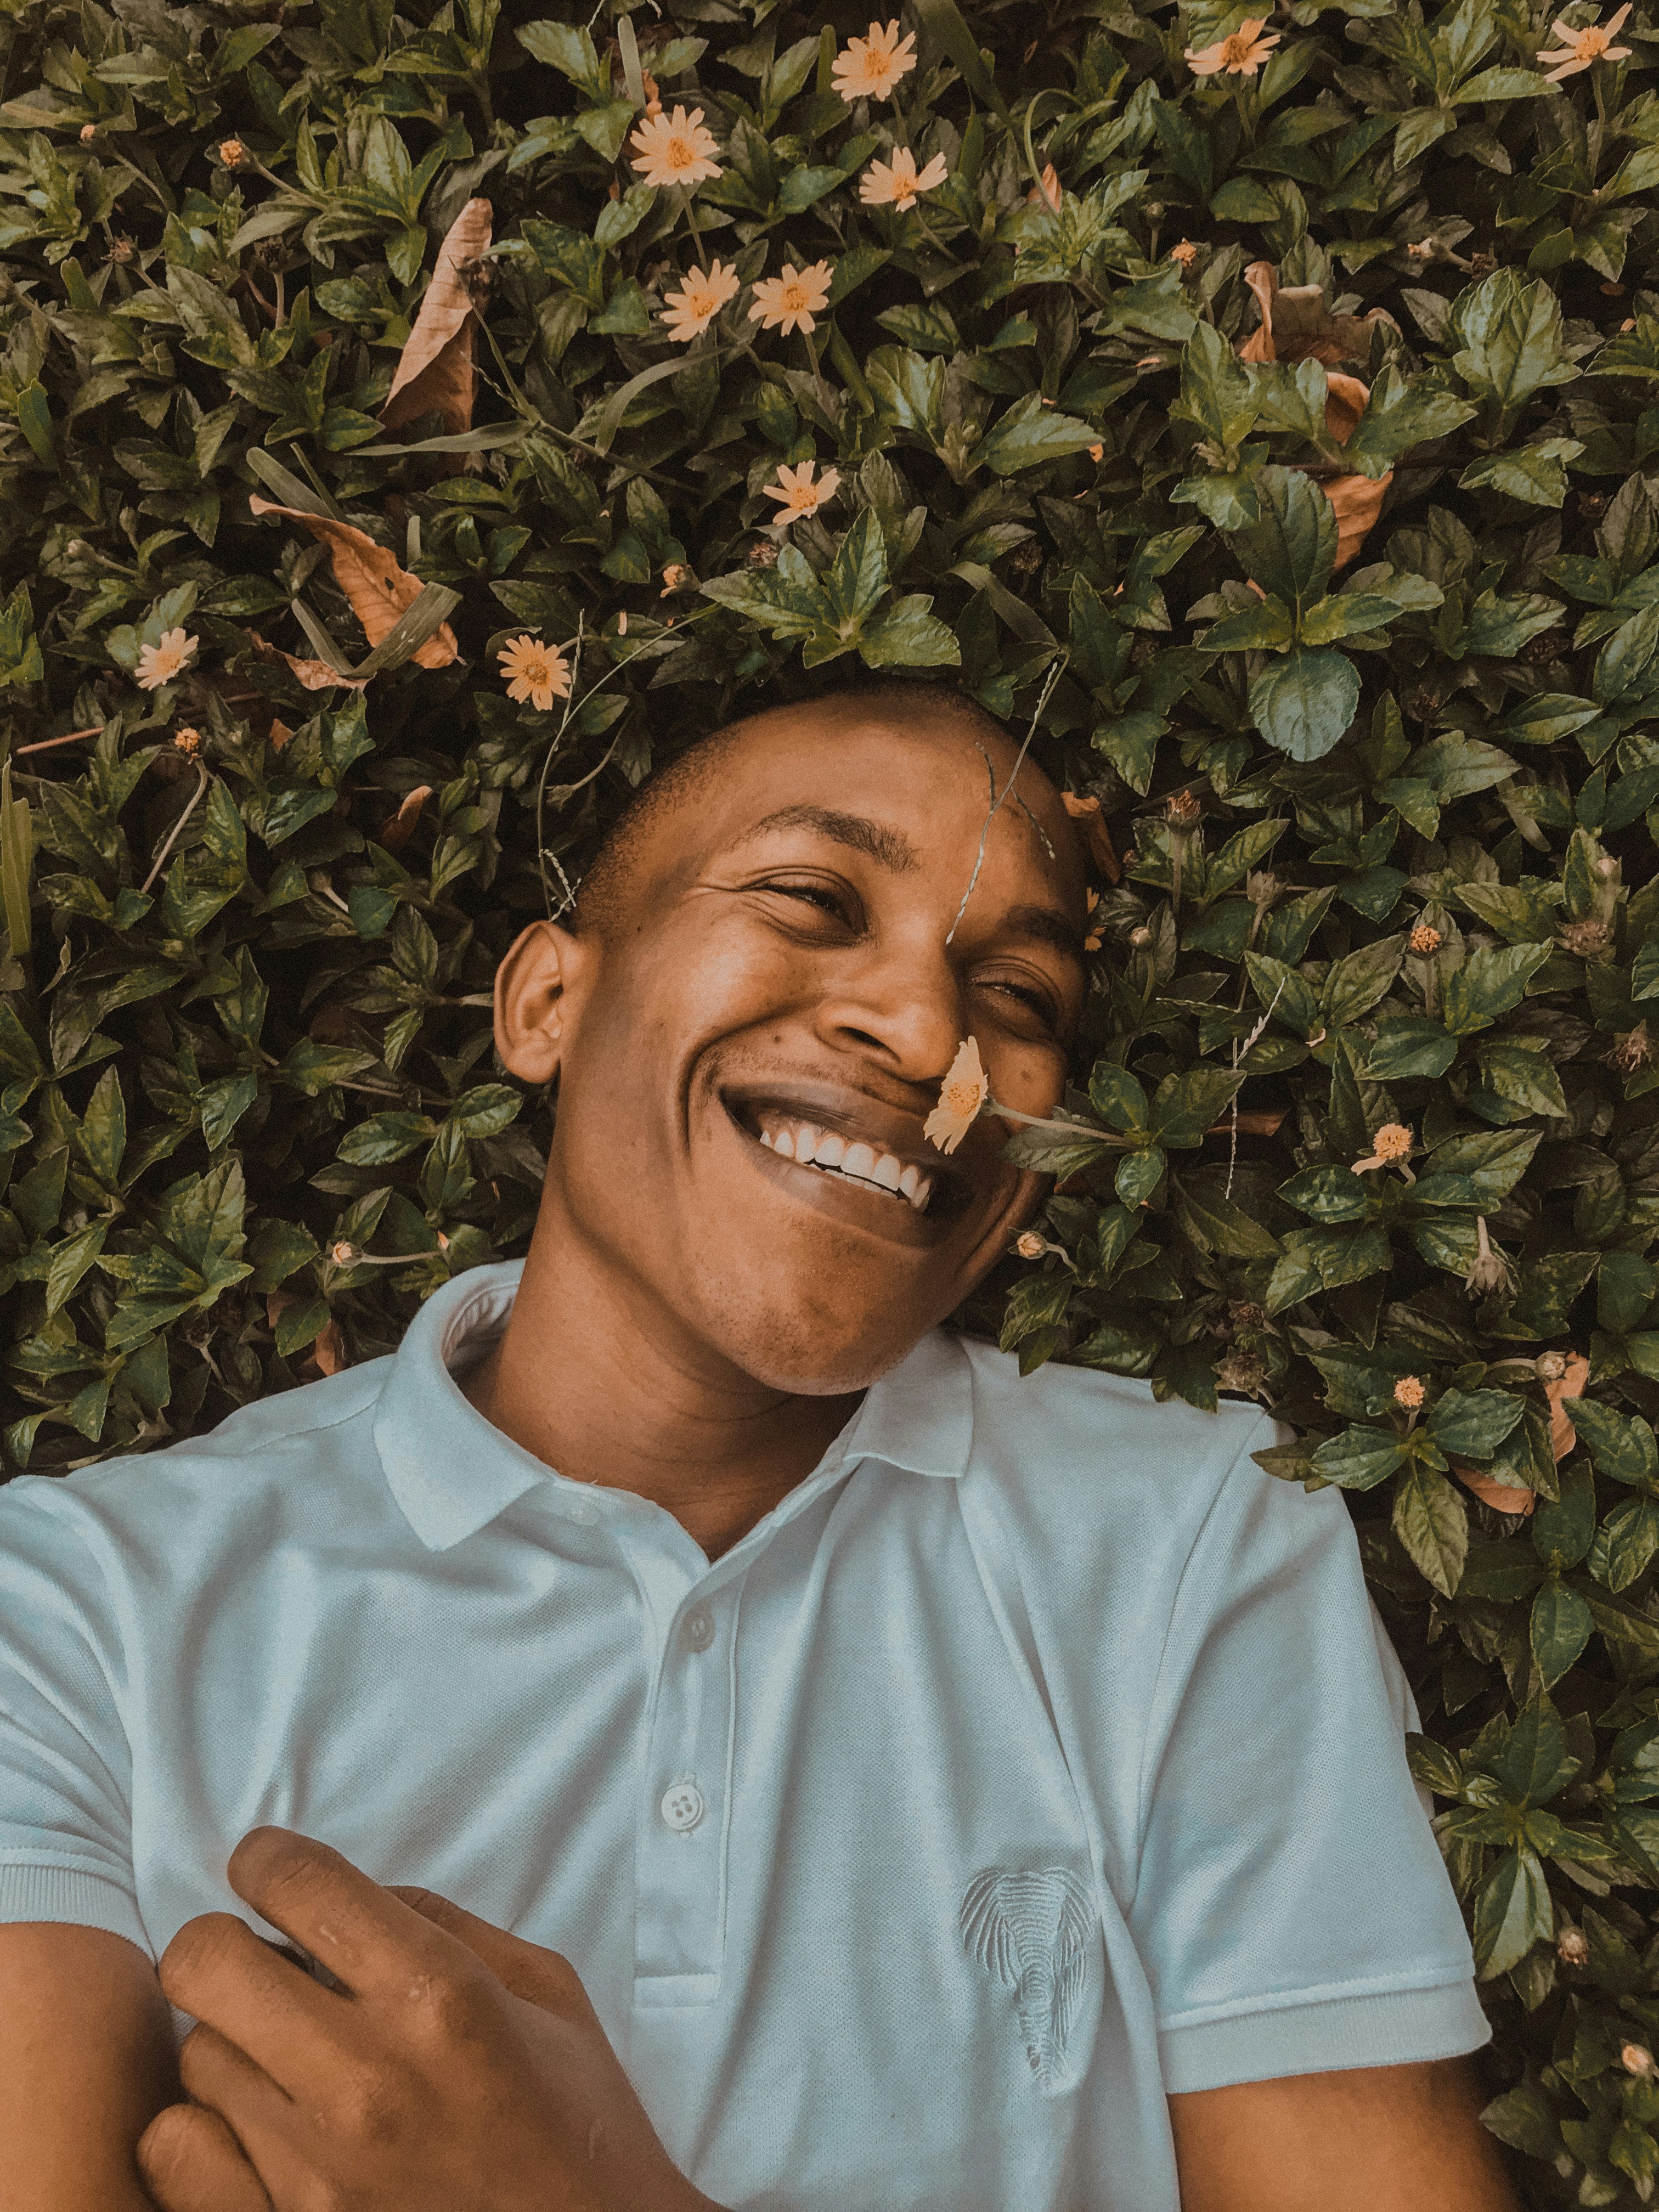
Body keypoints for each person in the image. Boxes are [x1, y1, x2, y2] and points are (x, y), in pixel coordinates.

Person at [0, 681, 1518, 2212]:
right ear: (548, 1004)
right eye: (811, 897)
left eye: (1022, 1001)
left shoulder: (1193, 1539)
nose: (928, 1031)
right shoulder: (72, 1616)